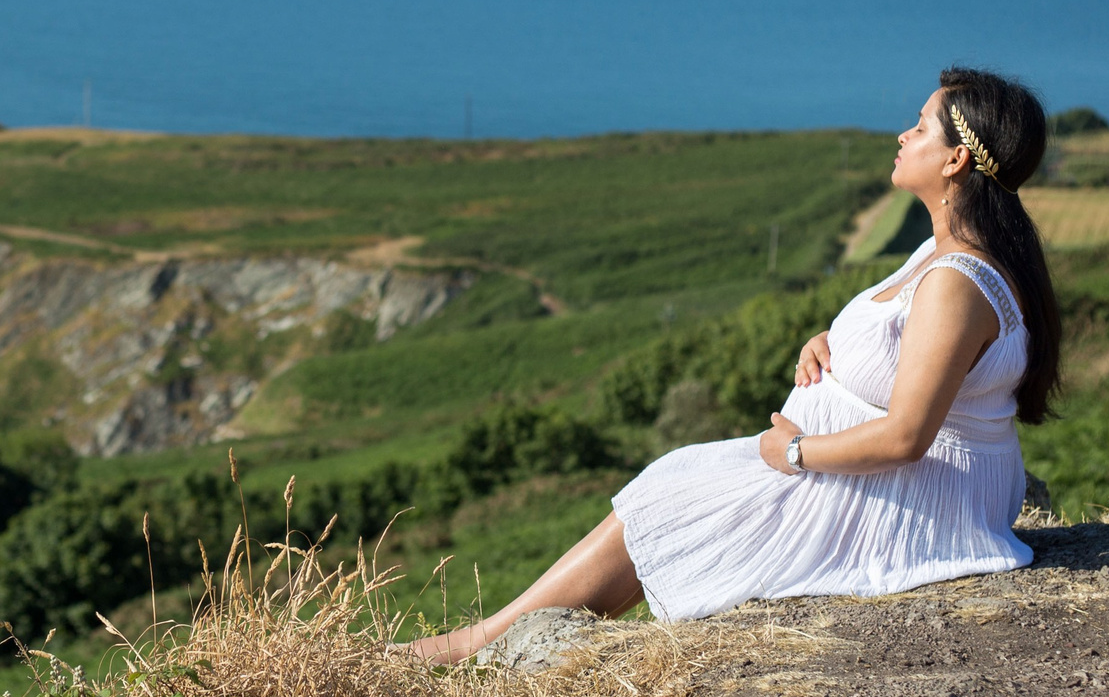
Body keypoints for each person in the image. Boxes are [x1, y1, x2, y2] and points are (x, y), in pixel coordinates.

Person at [409, 67, 1063, 664]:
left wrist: (796, 453)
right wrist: (833, 343)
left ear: (954, 159)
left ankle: (470, 651)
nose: (902, 135)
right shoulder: (949, 253)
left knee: (668, 500)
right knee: (671, 483)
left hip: (913, 498)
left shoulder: (957, 281)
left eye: (919, 127)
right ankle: (483, 643)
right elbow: (921, 351)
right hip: (891, 477)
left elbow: (906, 437)